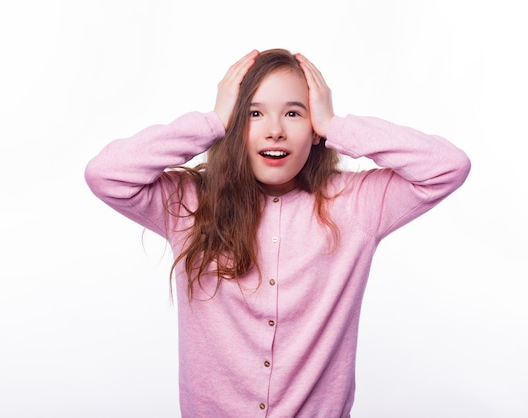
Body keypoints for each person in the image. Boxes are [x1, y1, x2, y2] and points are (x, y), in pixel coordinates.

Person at [85, 48, 471, 417]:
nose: (274, 131)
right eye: (253, 113)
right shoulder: (191, 205)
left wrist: (338, 126)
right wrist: (212, 123)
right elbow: (106, 174)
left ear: (315, 129)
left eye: (293, 113)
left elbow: (447, 166)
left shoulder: (355, 205)